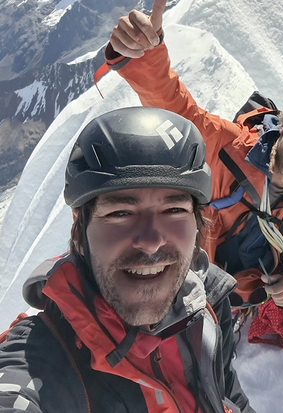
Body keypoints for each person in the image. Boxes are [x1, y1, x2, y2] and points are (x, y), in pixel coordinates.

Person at [102, 0, 283, 376]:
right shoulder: (227, 147)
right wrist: (146, 54)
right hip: (202, 284)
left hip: (266, 289)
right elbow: (177, 109)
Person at [0, 106, 255, 413]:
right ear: (80, 230)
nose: (150, 242)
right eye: (120, 213)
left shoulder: (209, 303)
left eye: (174, 210)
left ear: (198, 224)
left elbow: (228, 396)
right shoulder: (43, 354)